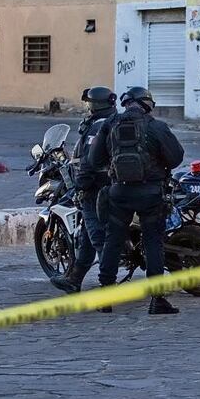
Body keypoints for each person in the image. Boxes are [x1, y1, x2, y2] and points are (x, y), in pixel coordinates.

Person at [87, 86, 185, 315]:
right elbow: (176, 158)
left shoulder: (110, 124)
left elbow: (94, 160)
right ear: (146, 104)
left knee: (113, 241)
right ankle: (157, 300)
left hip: (119, 192)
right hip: (151, 194)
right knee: (153, 243)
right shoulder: (156, 126)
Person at [50, 86, 117, 294]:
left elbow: (89, 162)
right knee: (88, 233)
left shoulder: (97, 128)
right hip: (114, 186)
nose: (87, 107)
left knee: (98, 237)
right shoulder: (115, 121)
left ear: (95, 105)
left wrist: (81, 186)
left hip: (96, 189)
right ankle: (74, 279)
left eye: (88, 103)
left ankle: (108, 288)